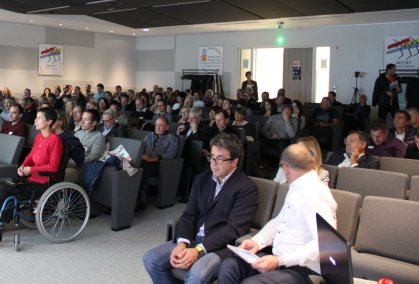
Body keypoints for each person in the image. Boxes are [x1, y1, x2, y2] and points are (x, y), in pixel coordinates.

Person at [143, 133, 259, 284]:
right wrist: (182, 243)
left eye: (220, 158)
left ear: (234, 162)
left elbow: (234, 229)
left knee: (197, 275)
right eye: (212, 157)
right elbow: (190, 214)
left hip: (221, 247)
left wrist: (198, 250)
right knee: (151, 259)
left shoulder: (247, 188)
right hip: (193, 239)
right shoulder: (202, 179)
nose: (214, 163)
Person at [218, 143, 337, 284]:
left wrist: (280, 261)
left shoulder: (314, 193)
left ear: (285, 168)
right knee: (230, 266)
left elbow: (324, 244)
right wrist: (258, 241)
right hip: (280, 259)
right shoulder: (297, 186)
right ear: (313, 162)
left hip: (302, 268)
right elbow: (280, 220)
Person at [0, 108, 63, 244]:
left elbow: (53, 167)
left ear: (49, 121)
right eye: (36, 117)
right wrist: (22, 166)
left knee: (6, 190)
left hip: (44, 181)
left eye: (39, 118)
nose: (35, 120)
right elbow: (31, 156)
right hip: (32, 177)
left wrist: (30, 169)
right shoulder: (39, 137)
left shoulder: (55, 140)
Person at [137, 117, 178, 212]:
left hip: (160, 165)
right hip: (145, 162)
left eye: (161, 125)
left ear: (167, 127)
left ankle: (142, 199)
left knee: (142, 167)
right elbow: (142, 147)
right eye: (156, 125)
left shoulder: (172, 138)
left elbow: (170, 155)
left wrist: (152, 159)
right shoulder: (150, 135)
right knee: (138, 165)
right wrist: (142, 155)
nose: (157, 127)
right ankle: (136, 197)